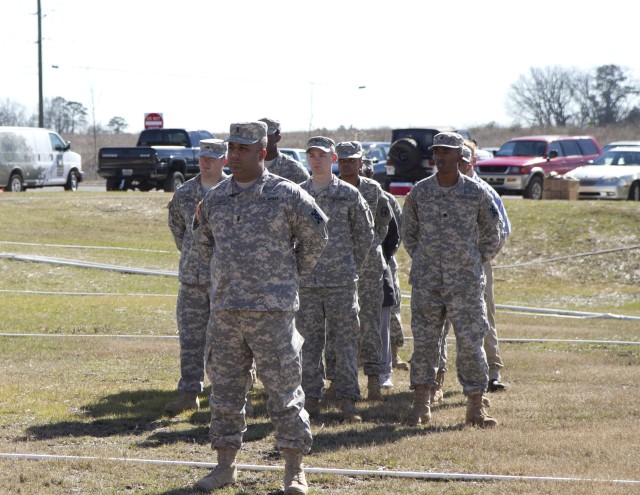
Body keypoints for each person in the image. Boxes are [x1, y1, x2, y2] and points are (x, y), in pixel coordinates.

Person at [193, 121, 328, 494]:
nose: (234, 155)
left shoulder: (287, 195)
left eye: (242, 149)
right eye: (231, 148)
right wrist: (222, 280)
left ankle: (294, 469)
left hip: (273, 313)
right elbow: (202, 242)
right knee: (225, 392)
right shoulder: (216, 198)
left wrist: (288, 276)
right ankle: (224, 466)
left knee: (284, 392)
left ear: (261, 153)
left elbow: (317, 237)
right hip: (226, 313)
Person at [402, 131, 505, 429]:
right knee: (424, 343)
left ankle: (475, 407)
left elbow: (492, 235)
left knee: (471, 343)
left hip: (465, 284)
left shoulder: (476, 193)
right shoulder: (420, 192)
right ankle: (420, 405)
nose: (441, 157)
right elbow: (409, 233)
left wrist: (471, 261)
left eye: (447, 152)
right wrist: (425, 259)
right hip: (427, 282)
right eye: (437, 152)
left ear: (461, 156)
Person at [297, 136, 375, 423]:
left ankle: (347, 400)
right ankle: (310, 399)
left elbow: (365, 235)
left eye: (322, 155)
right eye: (311, 155)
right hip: (307, 282)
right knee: (308, 343)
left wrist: (351, 265)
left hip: (341, 282)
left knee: (345, 342)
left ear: (332, 159)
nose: (316, 159)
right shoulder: (298, 193)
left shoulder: (349, 194)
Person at [164, 138, 228, 414]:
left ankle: (228, 396)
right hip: (192, 279)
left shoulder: (233, 191)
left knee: (226, 341)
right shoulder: (185, 193)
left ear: (224, 159)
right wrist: (195, 256)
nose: (206, 161)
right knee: (190, 339)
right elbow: (178, 229)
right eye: (202, 156)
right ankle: (190, 393)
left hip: (225, 281)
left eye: (212, 157)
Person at [332, 141, 393, 401]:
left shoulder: (373, 189)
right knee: (338, 326)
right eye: (343, 160)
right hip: (339, 264)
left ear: (361, 163)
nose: (346, 164)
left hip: (368, 267)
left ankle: (373, 380)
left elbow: (384, 224)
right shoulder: (331, 189)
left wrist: (370, 248)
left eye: (352, 160)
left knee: (369, 323)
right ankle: (337, 381)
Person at [259, 117, 310, 184]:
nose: (262, 140)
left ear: (278, 138)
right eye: (259, 136)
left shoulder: (295, 170)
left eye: (266, 136)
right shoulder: (247, 166)